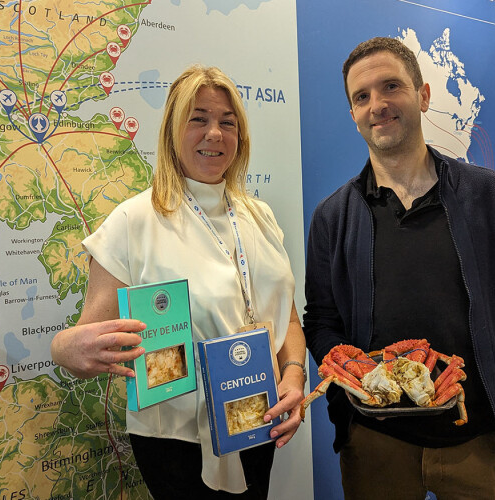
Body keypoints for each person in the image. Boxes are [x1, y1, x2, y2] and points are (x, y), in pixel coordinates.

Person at [302, 37, 495, 500]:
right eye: (362, 96)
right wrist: (355, 375)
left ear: (424, 95)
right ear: (353, 114)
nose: (377, 105)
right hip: (375, 447)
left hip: (484, 445)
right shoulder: (331, 217)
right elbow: (321, 321)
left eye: (391, 86)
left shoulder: (489, 195)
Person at [51, 65, 306, 499]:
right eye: (198, 119)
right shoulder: (134, 221)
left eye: (228, 122)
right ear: (172, 130)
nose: (215, 133)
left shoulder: (260, 217)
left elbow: (290, 322)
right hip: (175, 442)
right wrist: (66, 349)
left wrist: (294, 376)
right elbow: (77, 342)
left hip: (256, 420)